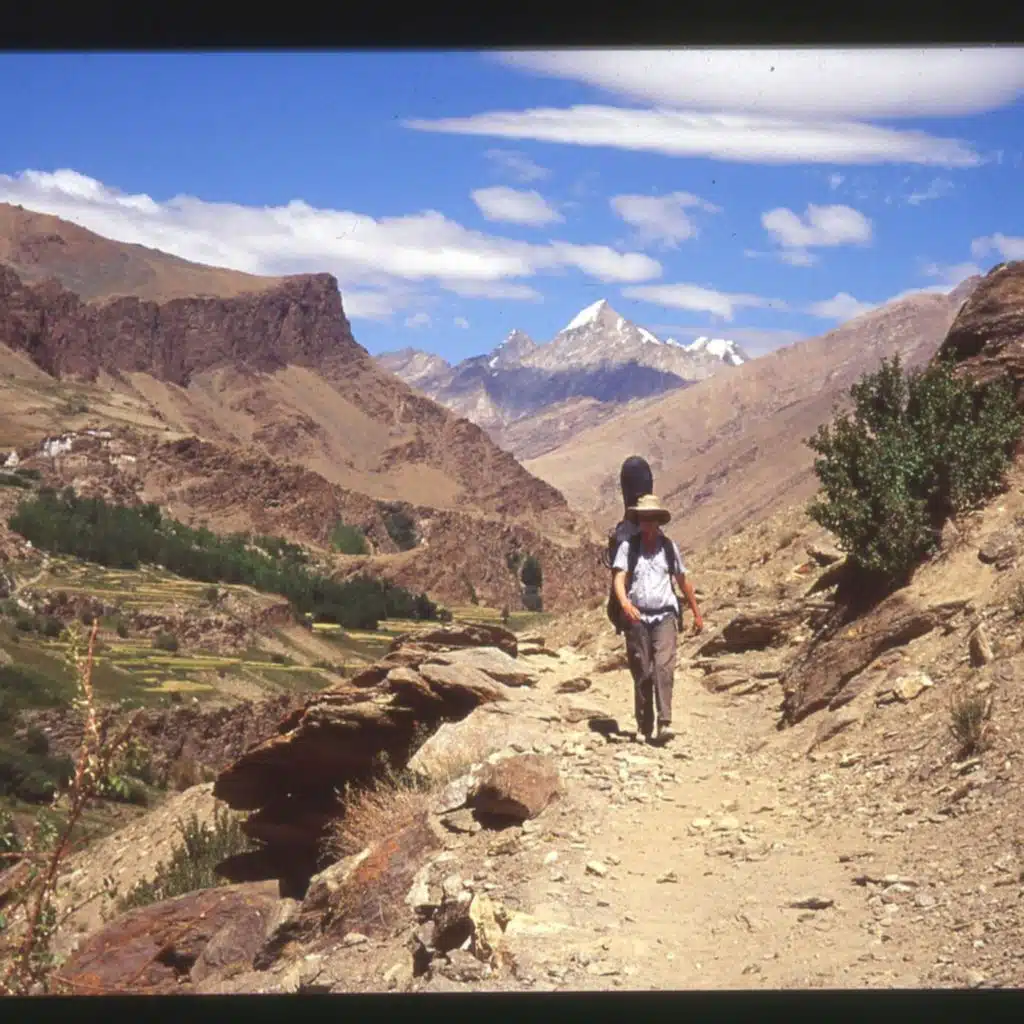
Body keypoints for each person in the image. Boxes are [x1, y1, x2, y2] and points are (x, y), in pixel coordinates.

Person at [612, 494, 703, 745]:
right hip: (637, 616)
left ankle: (665, 722)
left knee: (664, 666)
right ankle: (644, 724)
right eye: (643, 518)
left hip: (665, 615)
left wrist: (696, 612)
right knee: (642, 670)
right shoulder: (628, 548)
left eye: (651, 518)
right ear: (639, 520)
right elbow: (619, 579)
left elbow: (683, 581)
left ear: (658, 521)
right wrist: (625, 604)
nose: (647, 523)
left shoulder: (669, 548)